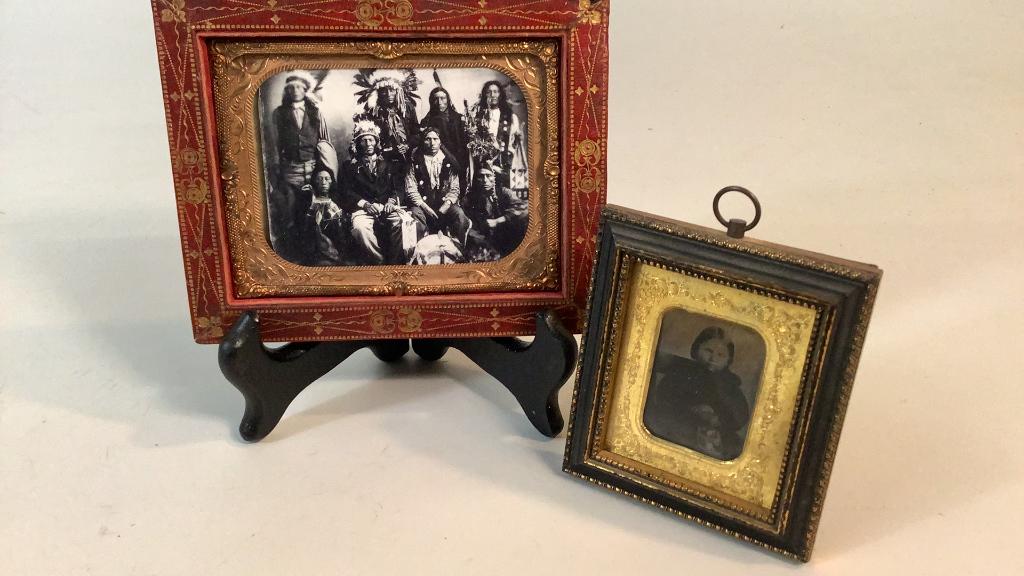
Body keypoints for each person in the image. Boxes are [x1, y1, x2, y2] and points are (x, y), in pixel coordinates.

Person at [642, 326, 750, 460]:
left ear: (728, 360)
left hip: (716, 434)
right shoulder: (681, 373)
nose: (712, 358)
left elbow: (740, 416)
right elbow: (664, 401)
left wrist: (717, 418)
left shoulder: (729, 384)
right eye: (708, 351)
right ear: (696, 350)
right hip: (681, 427)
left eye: (720, 355)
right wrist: (692, 410)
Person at [268, 70, 333, 259]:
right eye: (291, 88)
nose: (295, 90)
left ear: (305, 90)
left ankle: (316, 250)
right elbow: (274, 143)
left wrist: (323, 167)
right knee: (291, 209)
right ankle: (294, 253)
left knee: (313, 209)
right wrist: (277, 170)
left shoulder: (315, 112)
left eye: (299, 87)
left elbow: (324, 142)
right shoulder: (279, 114)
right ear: (287, 91)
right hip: (290, 170)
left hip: (312, 167)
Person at [339, 118, 407, 265]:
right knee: (360, 228)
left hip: (386, 206)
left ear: (376, 142)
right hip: (363, 209)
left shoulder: (389, 163)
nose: (368, 144)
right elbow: (346, 191)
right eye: (364, 141)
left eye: (371, 140)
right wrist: (365, 204)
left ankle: (395, 262)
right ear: (358, 143)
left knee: (403, 222)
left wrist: (391, 201)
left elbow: (398, 187)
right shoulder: (349, 166)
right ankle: (379, 261)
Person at [405, 128, 470, 245]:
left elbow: (454, 188)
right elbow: (411, 189)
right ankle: (420, 251)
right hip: (422, 206)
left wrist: (446, 205)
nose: (432, 143)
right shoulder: (415, 160)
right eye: (428, 139)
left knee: (459, 215)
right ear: (423, 141)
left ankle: (457, 250)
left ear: (440, 141)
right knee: (415, 216)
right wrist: (426, 208)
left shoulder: (448, 161)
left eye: (435, 139)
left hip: (444, 205)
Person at [353, 70, 420, 168]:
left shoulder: (407, 108)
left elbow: (416, 133)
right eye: (384, 90)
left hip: (407, 157)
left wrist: (407, 145)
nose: (389, 94)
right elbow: (364, 138)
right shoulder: (372, 111)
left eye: (392, 90)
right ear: (378, 92)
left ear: (398, 91)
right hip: (382, 160)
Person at [464, 164, 527, 258]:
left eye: (488, 175)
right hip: (482, 238)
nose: (485, 180)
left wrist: (498, 221)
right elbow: (467, 221)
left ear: (494, 177)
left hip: (506, 235)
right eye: (480, 176)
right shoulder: (470, 198)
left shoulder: (504, 192)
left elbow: (521, 207)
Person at [471, 80, 525, 189]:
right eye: (489, 92)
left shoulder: (510, 117)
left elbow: (515, 143)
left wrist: (520, 137)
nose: (492, 95)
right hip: (483, 164)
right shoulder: (477, 116)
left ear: (500, 94)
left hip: (504, 163)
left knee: (504, 192)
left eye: (496, 92)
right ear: (484, 95)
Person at [419, 86, 470, 188]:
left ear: (448, 100)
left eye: (442, 98)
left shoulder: (459, 118)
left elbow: (464, 142)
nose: (439, 102)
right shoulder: (426, 121)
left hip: (459, 159)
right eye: (436, 99)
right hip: (438, 160)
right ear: (431, 101)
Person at [297, 168, 345, 266]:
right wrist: (313, 201)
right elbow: (304, 224)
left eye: (327, 179)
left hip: (335, 243)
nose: (323, 182)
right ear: (315, 181)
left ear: (331, 181)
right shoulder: (309, 199)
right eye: (320, 179)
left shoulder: (338, 199)